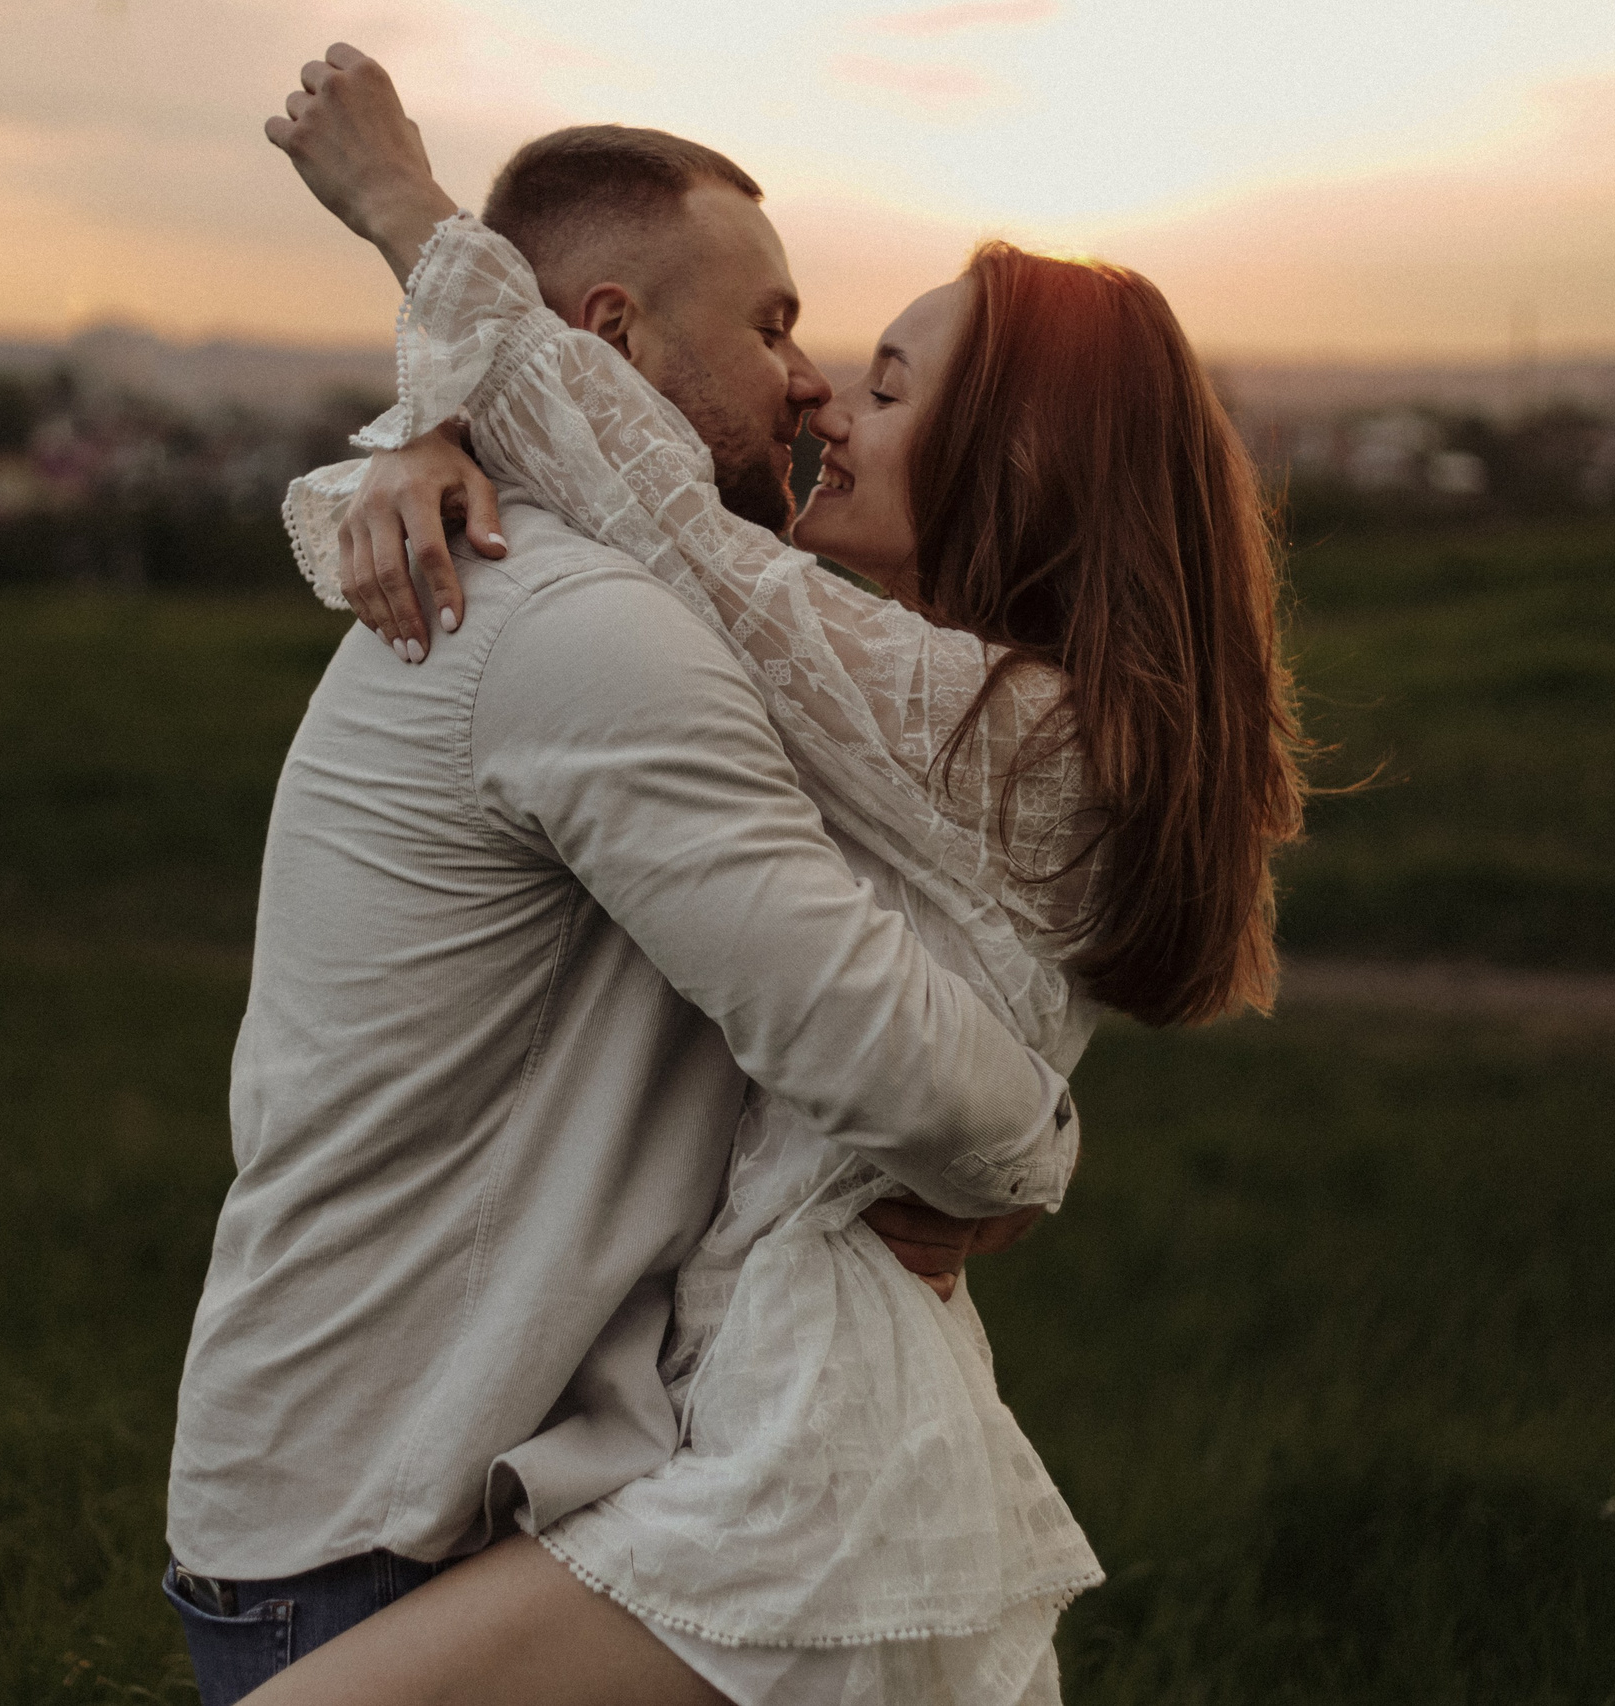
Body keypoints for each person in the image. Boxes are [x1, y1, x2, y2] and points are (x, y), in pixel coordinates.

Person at [251, 42, 1309, 1706]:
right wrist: (424, 430)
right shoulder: (985, 724)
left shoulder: (991, 731)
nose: (826, 394)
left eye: (886, 387)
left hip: (804, 1465)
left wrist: (403, 207)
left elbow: (675, 533)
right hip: (795, 1439)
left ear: (1014, 464)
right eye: (804, 346)